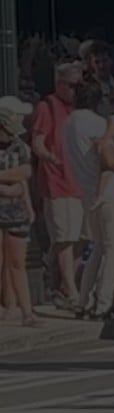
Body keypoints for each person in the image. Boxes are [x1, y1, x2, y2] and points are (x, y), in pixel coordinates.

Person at [64, 83, 114, 321]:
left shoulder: (69, 123)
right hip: (109, 189)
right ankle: (103, 304)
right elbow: (109, 158)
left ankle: (83, 301)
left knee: (98, 249)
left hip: (86, 191)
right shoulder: (98, 124)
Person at [31, 62, 84, 308]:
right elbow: (38, 142)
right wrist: (50, 158)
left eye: (79, 86)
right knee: (64, 238)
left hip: (78, 180)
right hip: (58, 180)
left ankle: (61, 284)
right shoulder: (47, 106)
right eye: (72, 86)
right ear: (59, 84)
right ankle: (69, 289)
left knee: (76, 238)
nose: (76, 91)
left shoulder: (78, 109)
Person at [0, 97, 38, 326]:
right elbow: (16, 178)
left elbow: (24, 174)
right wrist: (9, 184)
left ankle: (27, 311)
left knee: (17, 263)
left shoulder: (21, 147)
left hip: (15, 212)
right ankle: (7, 305)